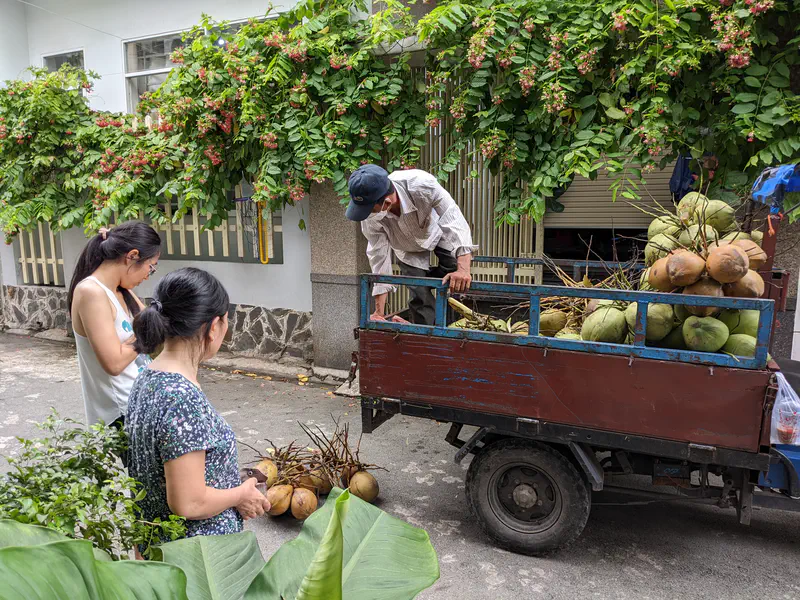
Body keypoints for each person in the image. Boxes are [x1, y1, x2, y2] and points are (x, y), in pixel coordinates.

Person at [125, 267, 269, 551]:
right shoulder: (181, 399)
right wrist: (240, 494)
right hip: (199, 562)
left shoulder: (147, 376)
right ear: (213, 326)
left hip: (160, 549)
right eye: (226, 322)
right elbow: (188, 502)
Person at [345, 164, 477, 325]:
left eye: (370, 209)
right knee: (419, 294)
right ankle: (427, 337)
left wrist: (463, 269)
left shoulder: (421, 184)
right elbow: (378, 256)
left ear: (386, 203)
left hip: (435, 231)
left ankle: (454, 327)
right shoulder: (369, 217)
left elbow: (453, 219)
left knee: (456, 279)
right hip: (405, 246)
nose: (367, 213)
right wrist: (379, 312)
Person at [68, 221, 161, 429]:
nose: (148, 275)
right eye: (151, 267)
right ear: (132, 255)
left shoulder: (120, 290)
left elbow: (152, 324)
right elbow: (114, 363)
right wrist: (145, 332)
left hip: (142, 404)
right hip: (123, 413)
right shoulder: (91, 292)